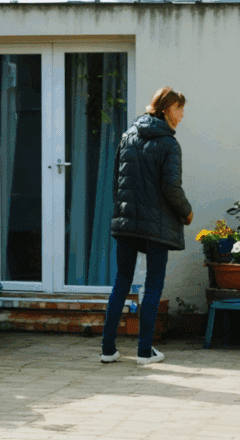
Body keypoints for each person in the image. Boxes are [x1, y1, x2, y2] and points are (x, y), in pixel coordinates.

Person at [100, 87, 193, 365]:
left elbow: (117, 180)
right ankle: (144, 351)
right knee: (152, 286)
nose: (182, 115)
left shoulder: (128, 136)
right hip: (156, 226)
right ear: (166, 109)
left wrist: (123, 213)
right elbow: (171, 187)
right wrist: (186, 213)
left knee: (121, 282)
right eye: (179, 108)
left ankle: (107, 350)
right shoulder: (169, 144)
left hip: (127, 223)